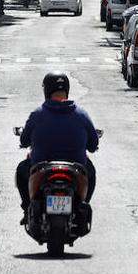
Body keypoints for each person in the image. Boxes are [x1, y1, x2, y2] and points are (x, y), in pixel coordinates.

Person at [16, 72, 99, 222]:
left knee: (21, 170)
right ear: (67, 89)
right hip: (75, 168)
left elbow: (24, 139)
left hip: (42, 167)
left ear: (46, 90)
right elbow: (93, 144)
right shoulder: (82, 114)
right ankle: (82, 206)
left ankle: (27, 209)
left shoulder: (37, 114)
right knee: (91, 172)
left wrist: (25, 141)